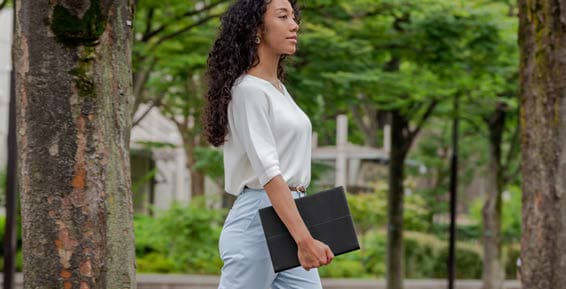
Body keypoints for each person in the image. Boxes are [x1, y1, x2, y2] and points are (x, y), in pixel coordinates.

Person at [201, 0, 334, 288]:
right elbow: (270, 172)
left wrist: (301, 233)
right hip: (260, 220)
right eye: (282, 16)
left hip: (289, 214)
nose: (294, 24)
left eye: (293, 17)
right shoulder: (248, 91)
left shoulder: (278, 89)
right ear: (257, 30)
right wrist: (305, 240)